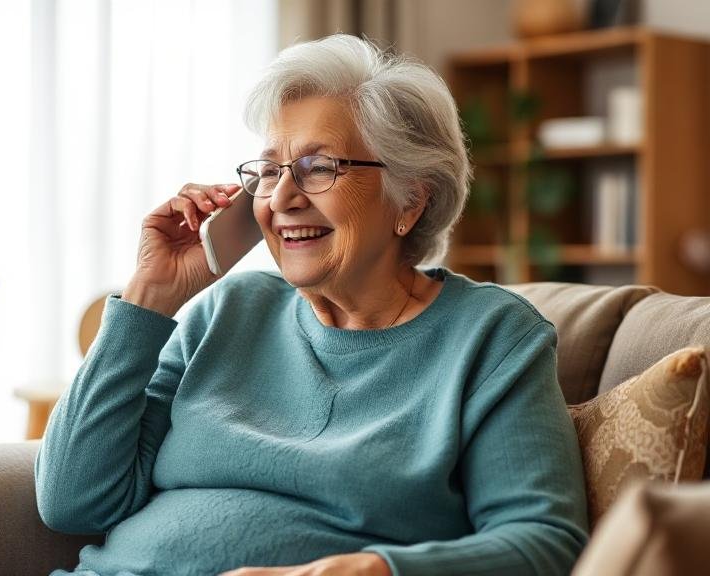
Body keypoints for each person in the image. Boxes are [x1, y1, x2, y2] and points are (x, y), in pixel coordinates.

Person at [35, 34, 588, 576]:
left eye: (318, 168)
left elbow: (543, 544)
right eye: (270, 171)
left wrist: (371, 570)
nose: (281, 198)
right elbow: (72, 502)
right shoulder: (225, 312)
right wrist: (150, 297)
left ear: (410, 201)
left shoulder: (490, 337)